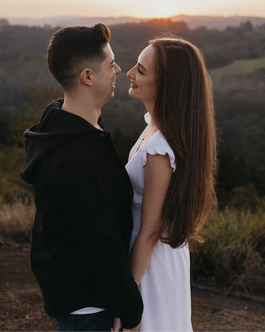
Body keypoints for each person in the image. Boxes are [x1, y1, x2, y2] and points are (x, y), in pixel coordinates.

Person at [20, 23, 143, 331]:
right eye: (110, 64)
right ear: (87, 77)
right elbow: (102, 242)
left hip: (82, 299)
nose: (118, 69)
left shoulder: (69, 127)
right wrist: (130, 313)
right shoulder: (79, 158)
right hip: (90, 308)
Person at [123, 37, 218, 332]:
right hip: (156, 257)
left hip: (150, 264)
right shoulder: (154, 129)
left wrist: (126, 299)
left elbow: (151, 230)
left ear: (166, 85)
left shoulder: (159, 149)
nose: (130, 73)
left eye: (141, 70)